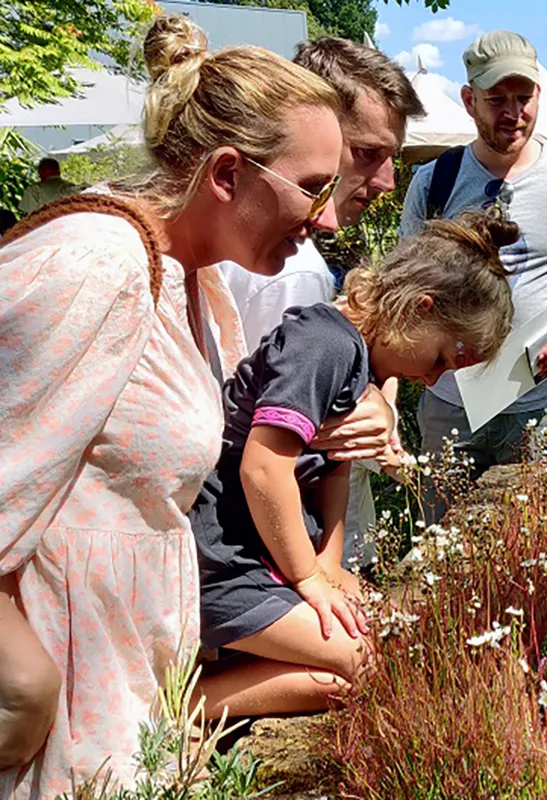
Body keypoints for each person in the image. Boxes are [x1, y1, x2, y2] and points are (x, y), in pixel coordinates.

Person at [0, 14, 349, 796]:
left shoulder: (194, 281)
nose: (328, 218)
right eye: (314, 187)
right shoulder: (97, 263)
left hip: (122, 696)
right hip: (57, 713)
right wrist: (23, 687)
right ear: (228, 173)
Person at [192, 213, 515, 717]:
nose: (430, 382)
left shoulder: (356, 357)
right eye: (439, 360)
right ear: (417, 308)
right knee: (362, 663)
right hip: (226, 559)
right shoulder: (325, 343)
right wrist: (310, 580)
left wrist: (329, 564)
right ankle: (181, 707)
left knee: (388, 633)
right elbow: (263, 468)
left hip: (265, 554)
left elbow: (333, 468)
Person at [220, 37, 426, 570]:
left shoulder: (283, 249)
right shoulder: (288, 267)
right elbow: (267, 442)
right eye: (367, 154)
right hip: (284, 554)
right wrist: (318, 572)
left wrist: (378, 391)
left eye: (393, 158)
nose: (385, 182)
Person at [399, 30, 547, 516]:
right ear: (468, 100)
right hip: (450, 405)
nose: (512, 112)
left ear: (539, 95)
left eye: (524, 98)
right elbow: (402, 290)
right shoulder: (434, 181)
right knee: (446, 554)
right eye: (496, 99)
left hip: (543, 403)